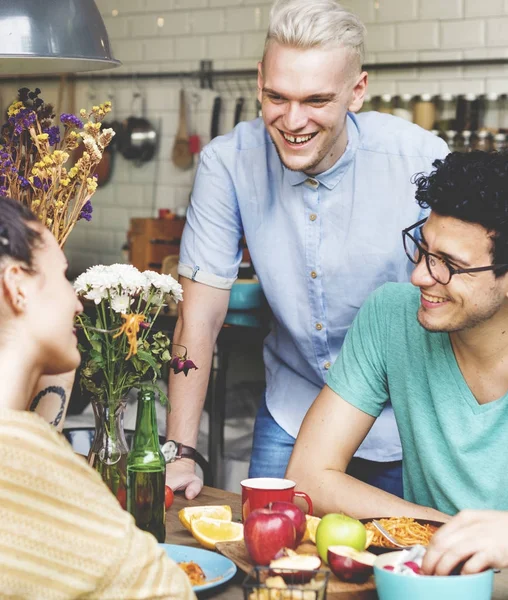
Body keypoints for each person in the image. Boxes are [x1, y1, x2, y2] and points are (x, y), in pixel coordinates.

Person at [166, 0, 448, 499]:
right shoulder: (227, 164)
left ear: (357, 91)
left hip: (404, 417)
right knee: (268, 558)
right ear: (259, 82)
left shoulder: (419, 159)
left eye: (316, 99)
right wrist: (180, 453)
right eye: (277, 96)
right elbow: (200, 317)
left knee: (403, 559)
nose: (292, 121)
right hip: (296, 406)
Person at [286, 149, 508, 521]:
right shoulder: (393, 314)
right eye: (423, 249)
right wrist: (449, 531)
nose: (420, 277)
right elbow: (307, 479)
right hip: (427, 569)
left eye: (451, 265)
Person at [0, 197, 194, 600]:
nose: (77, 301)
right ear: (16, 285)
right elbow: (167, 590)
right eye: (63, 277)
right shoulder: (28, 459)